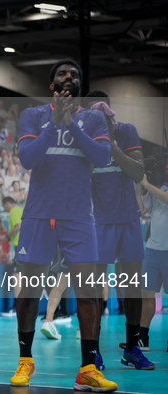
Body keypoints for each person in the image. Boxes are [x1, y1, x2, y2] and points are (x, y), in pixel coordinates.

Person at [11, 59, 117, 392]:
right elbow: (27, 158)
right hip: (39, 215)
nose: (68, 78)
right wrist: (52, 124)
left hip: (78, 217)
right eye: (62, 74)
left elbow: (101, 158)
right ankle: (25, 361)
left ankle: (88, 368)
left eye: (74, 75)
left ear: (80, 86)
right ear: (52, 84)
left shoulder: (95, 118)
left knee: (87, 294)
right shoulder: (34, 115)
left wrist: (70, 124)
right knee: (28, 293)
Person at [84, 91, 154, 371]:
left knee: (132, 287)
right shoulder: (84, 138)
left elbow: (138, 172)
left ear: (109, 112)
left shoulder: (125, 132)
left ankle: (132, 349)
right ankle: (93, 352)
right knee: (94, 289)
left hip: (128, 219)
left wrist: (110, 145)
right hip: (98, 222)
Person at [138, 166, 168, 353]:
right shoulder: (161, 186)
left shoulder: (159, 189)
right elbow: (142, 209)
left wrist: (148, 184)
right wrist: (142, 189)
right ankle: (142, 338)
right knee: (147, 295)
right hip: (152, 249)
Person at [0, 197, 23, 317]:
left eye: (4, 206)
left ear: (7, 203)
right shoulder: (20, 210)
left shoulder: (14, 211)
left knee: (16, 276)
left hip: (20, 246)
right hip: (22, 246)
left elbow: (18, 226)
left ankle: (17, 307)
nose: (5, 209)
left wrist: (7, 237)